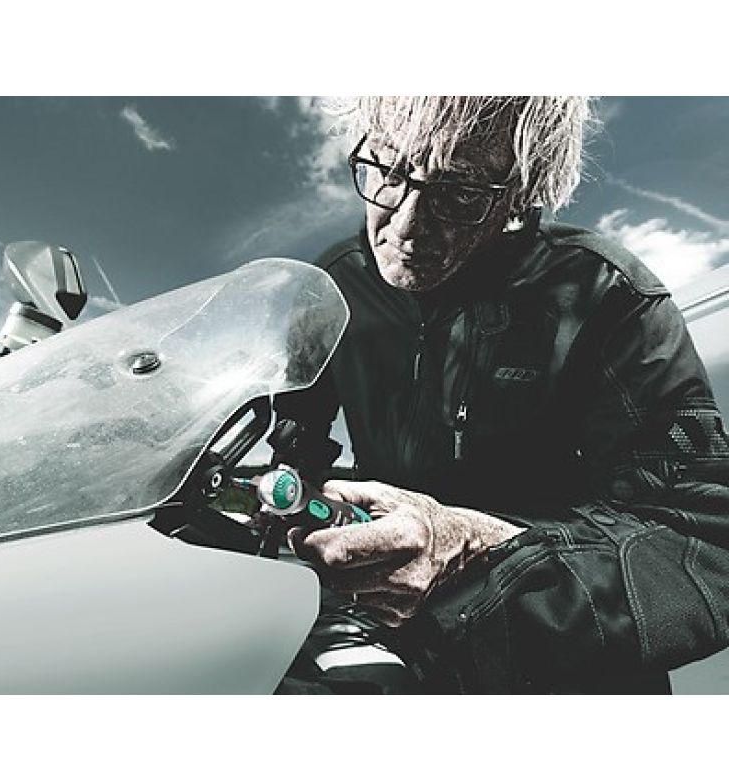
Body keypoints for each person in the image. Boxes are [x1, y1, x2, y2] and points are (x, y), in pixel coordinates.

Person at [271, 97, 729, 694]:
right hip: (385, 632)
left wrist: (475, 551)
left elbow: (706, 546)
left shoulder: (605, 294)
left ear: (522, 194)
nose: (405, 226)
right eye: (387, 169)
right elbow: (292, 448)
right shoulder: (334, 287)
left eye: (460, 195)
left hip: (559, 661)